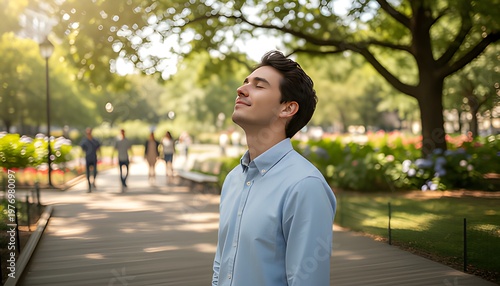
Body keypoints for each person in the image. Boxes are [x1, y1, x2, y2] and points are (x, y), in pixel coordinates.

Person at [212, 51, 337, 286]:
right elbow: (221, 262)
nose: (241, 89)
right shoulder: (233, 179)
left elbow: (307, 280)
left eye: (259, 86)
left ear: (287, 109)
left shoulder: (305, 186)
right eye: (245, 82)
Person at [79, 127, 101, 192]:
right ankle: (89, 187)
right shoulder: (84, 141)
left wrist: (100, 155)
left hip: (94, 158)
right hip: (87, 158)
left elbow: (99, 148)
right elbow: (82, 150)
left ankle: (93, 181)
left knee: (95, 172)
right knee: (87, 173)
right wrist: (80, 158)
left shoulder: (95, 141)